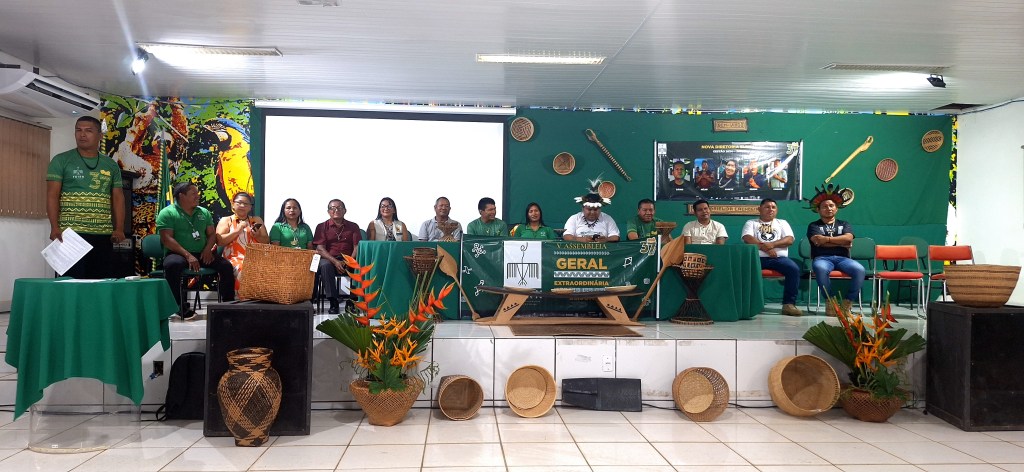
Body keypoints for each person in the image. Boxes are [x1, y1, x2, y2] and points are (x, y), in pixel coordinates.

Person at [45, 116, 125, 279]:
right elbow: (52, 195)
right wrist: (54, 226)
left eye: (88, 131)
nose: (82, 135)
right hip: (69, 235)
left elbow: (118, 198)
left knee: (100, 283)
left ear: (100, 136)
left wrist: (119, 228)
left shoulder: (110, 165)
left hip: (103, 235)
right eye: (78, 130)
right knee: (69, 285)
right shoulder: (61, 160)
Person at [156, 182, 235, 320]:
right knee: (172, 265)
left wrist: (207, 250)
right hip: (178, 253)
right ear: (181, 196)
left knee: (226, 266)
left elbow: (212, 235)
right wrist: (188, 255)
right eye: (193, 194)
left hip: (203, 253)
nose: (198, 196)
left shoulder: (203, 212)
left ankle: (228, 305)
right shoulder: (167, 213)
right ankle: (179, 306)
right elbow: (166, 239)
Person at [742, 198, 801, 316]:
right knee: (745, 270)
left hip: (779, 259)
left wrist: (772, 245)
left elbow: (789, 239)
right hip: (756, 259)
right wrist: (767, 249)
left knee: (794, 269)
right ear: (759, 209)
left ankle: (789, 304)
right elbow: (747, 238)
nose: (771, 210)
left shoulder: (782, 223)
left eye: (773, 207)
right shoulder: (751, 222)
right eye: (767, 207)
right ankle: (748, 304)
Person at [807, 198, 865, 315]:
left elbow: (848, 238)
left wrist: (827, 239)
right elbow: (817, 241)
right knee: (820, 268)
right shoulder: (814, 225)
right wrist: (841, 242)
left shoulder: (844, 224)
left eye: (831, 206)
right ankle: (830, 302)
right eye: (825, 206)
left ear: (836, 208)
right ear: (818, 210)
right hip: (822, 258)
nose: (829, 208)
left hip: (843, 259)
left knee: (860, 270)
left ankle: (847, 303)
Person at [312, 199, 362, 314]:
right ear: (328, 211)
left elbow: (357, 247)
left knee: (358, 265)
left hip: (348, 258)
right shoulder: (322, 226)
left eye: (339, 208)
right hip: (329, 259)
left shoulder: (353, 226)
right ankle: (333, 301)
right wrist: (335, 262)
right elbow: (320, 248)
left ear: (345, 210)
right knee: (325, 266)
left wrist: (350, 261)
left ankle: (352, 301)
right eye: (333, 208)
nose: (336, 210)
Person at [216, 191, 270, 290]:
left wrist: (257, 236)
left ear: (250, 207)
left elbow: (266, 241)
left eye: (246, 204)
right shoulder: (226, 220)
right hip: (234, 257)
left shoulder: (256, 220)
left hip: (256, 256)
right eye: (239, 202)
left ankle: (262, 298)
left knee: (268, 268)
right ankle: (242, 299)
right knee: (244, 267)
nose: (242, 205)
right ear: (233, 204)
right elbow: (220, 241)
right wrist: (237, 231)